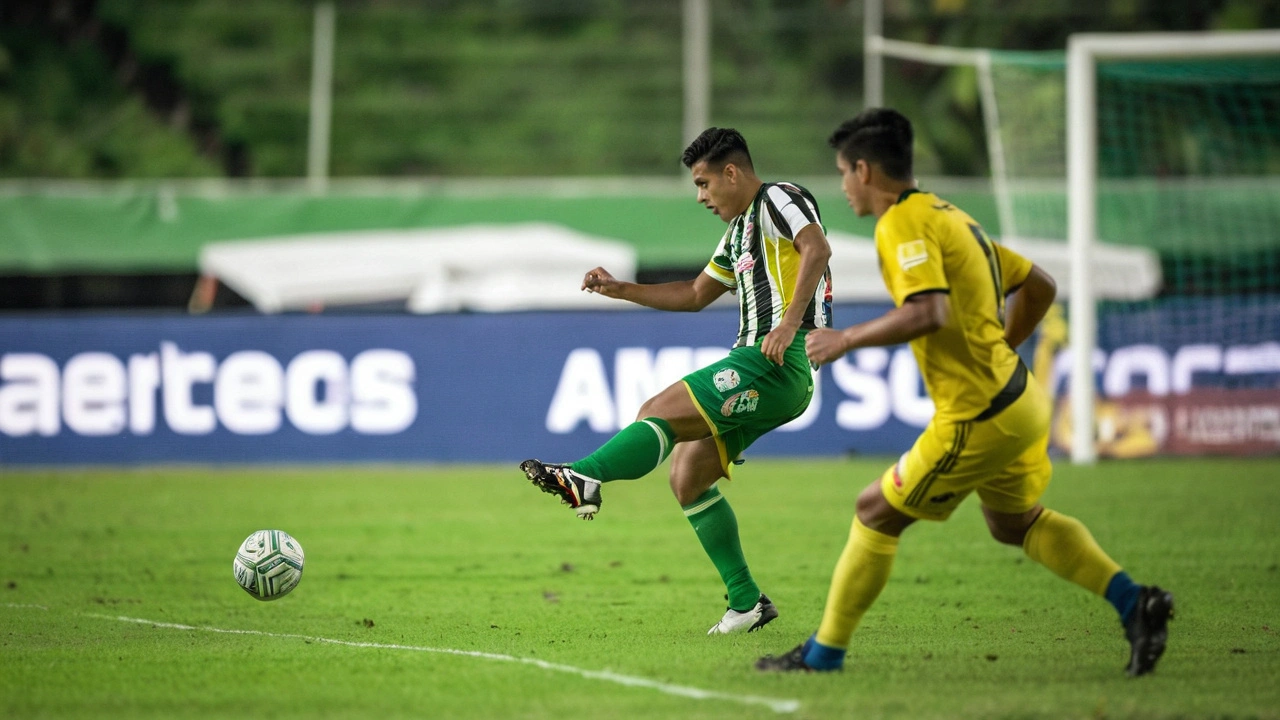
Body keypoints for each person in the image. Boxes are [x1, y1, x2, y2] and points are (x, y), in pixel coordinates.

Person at [755, 108, 1173, 676]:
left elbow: (929, 311)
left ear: (864, 169)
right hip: (1021, 397)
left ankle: (823, 656)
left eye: (843, 172)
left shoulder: (901, 224)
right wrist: (1001, 344)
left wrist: (846, 337)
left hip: (981, 414)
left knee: (874, 511)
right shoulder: (952, 217)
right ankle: (1135, 602)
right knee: (1012, 522)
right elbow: (1040, 285)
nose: (843, 186)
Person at [520, 127, 834, 635]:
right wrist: (620, 289)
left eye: (705, 183)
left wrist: (789, 322)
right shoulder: (737, 234)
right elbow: (693, 293)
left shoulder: (780, 198)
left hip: (778, 356)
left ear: (732, 172)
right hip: (768, 362)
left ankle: (585, 475)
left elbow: (816, 249)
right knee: (688, 479)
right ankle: (747, 601)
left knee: (657, 410)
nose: (701, 197)